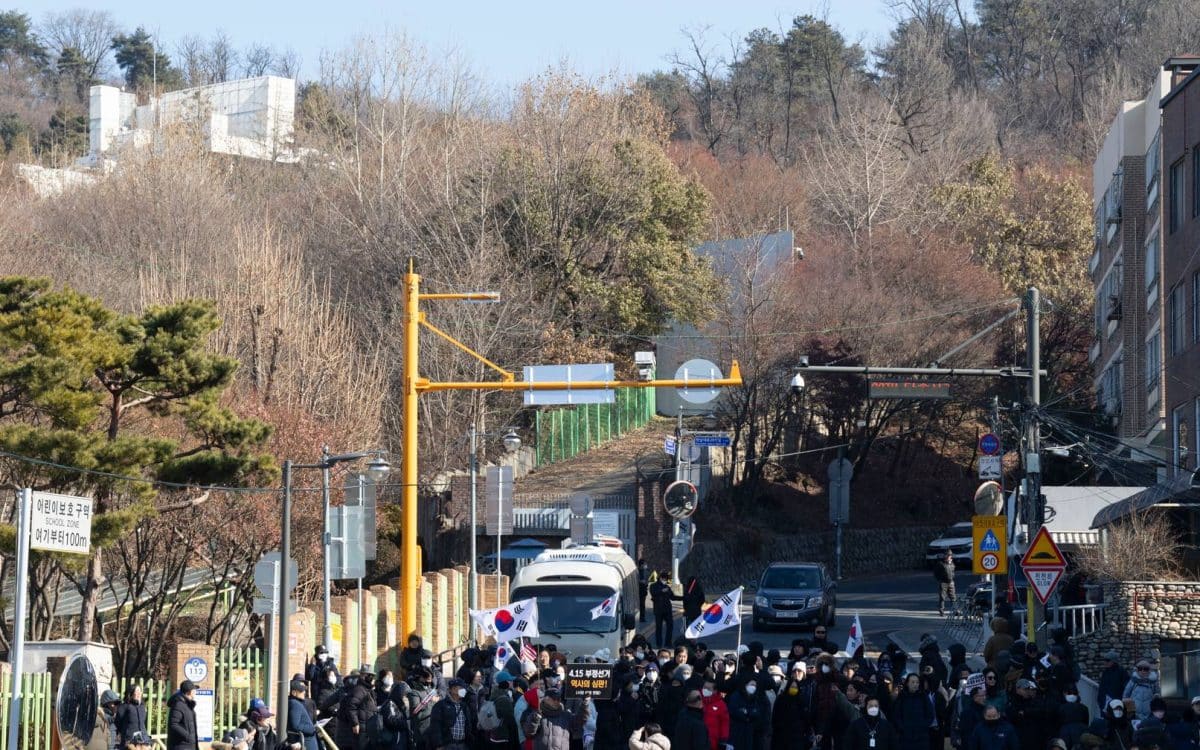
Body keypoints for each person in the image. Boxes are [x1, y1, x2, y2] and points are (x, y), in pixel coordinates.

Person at [429, 677, 476, 750]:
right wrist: (438, 745)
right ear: (453, 689)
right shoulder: (441, 705)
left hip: (463, 745)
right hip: (448, 745)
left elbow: (468, 724)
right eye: (461, 688)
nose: (464, 690)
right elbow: (435, 726)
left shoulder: (464, 706)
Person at [336, 670, 378, 750]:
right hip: (362, 729)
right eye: (372, 677)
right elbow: (351, 706)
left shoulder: (368, 690)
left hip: (367, 727)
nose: (374, 680)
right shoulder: (360, 689)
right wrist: (355, 723)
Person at [892, 674, 934, 750]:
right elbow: (897, 715)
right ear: (907, 683)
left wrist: (923, 726)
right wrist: (902, 728)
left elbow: (930, 714)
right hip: (905, 738)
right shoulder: (902, 697)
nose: (915, 684)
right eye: (913, 682)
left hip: (922, 738)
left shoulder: (923, 696)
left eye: (917, 682)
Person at [650, 573, 681, 649]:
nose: (665, 581)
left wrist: (683, 598)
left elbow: (672, 597)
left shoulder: (667, 587)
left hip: (667, 609)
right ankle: (659, 644)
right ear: (660, 578)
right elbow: (653, 593)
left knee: (670, 626)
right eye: (664, 579)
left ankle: (668, 643)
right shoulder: (653, 586)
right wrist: (661, 591)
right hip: (658, 610)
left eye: (666, 580)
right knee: (659, 627)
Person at [167, 680, 200, 750]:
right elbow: (174, 724)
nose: (195, 692)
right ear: (189, 692)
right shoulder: (178, 705)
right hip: (180, 746)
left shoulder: (187, 705)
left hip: (189, 746)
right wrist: (188, 736)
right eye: (194, 690)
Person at [116, 683, 151, 749]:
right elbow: (118, 723)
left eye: (140, 691)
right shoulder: (124, 706)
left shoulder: (142, 707)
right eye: (136, 691)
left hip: (142, 740)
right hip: (129, 740)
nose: (139, 693)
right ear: (131, 693)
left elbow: (143, 724)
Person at [286, 680, 319, 750]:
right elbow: (295, 725)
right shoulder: (295, 704)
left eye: (304, 690)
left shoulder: (295, 702)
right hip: (306, 742)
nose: (304, 692)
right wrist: (312, 728)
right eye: (301, 691)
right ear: (294, 693)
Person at [698, 677, 728, 750]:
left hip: (712, 743)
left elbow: (725, 723)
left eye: (708, 688)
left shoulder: (721, 705)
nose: (705, 690)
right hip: (697, 740)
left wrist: (723, 741)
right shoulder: (697, 700)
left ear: (715, 691)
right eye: (704, 687)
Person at [933, 551, 956, 616]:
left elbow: (953, 571)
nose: (949, 556)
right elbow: (936, 573)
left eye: (950, 555)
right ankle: (941, 610)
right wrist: (940, 580)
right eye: (948, 555)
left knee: (953, 597)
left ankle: (955, 610)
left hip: (951, 582)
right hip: (943, 582)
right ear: (945, 556)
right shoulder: (941, 564)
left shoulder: (952, 563)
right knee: (942, 597)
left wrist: (950, 563)